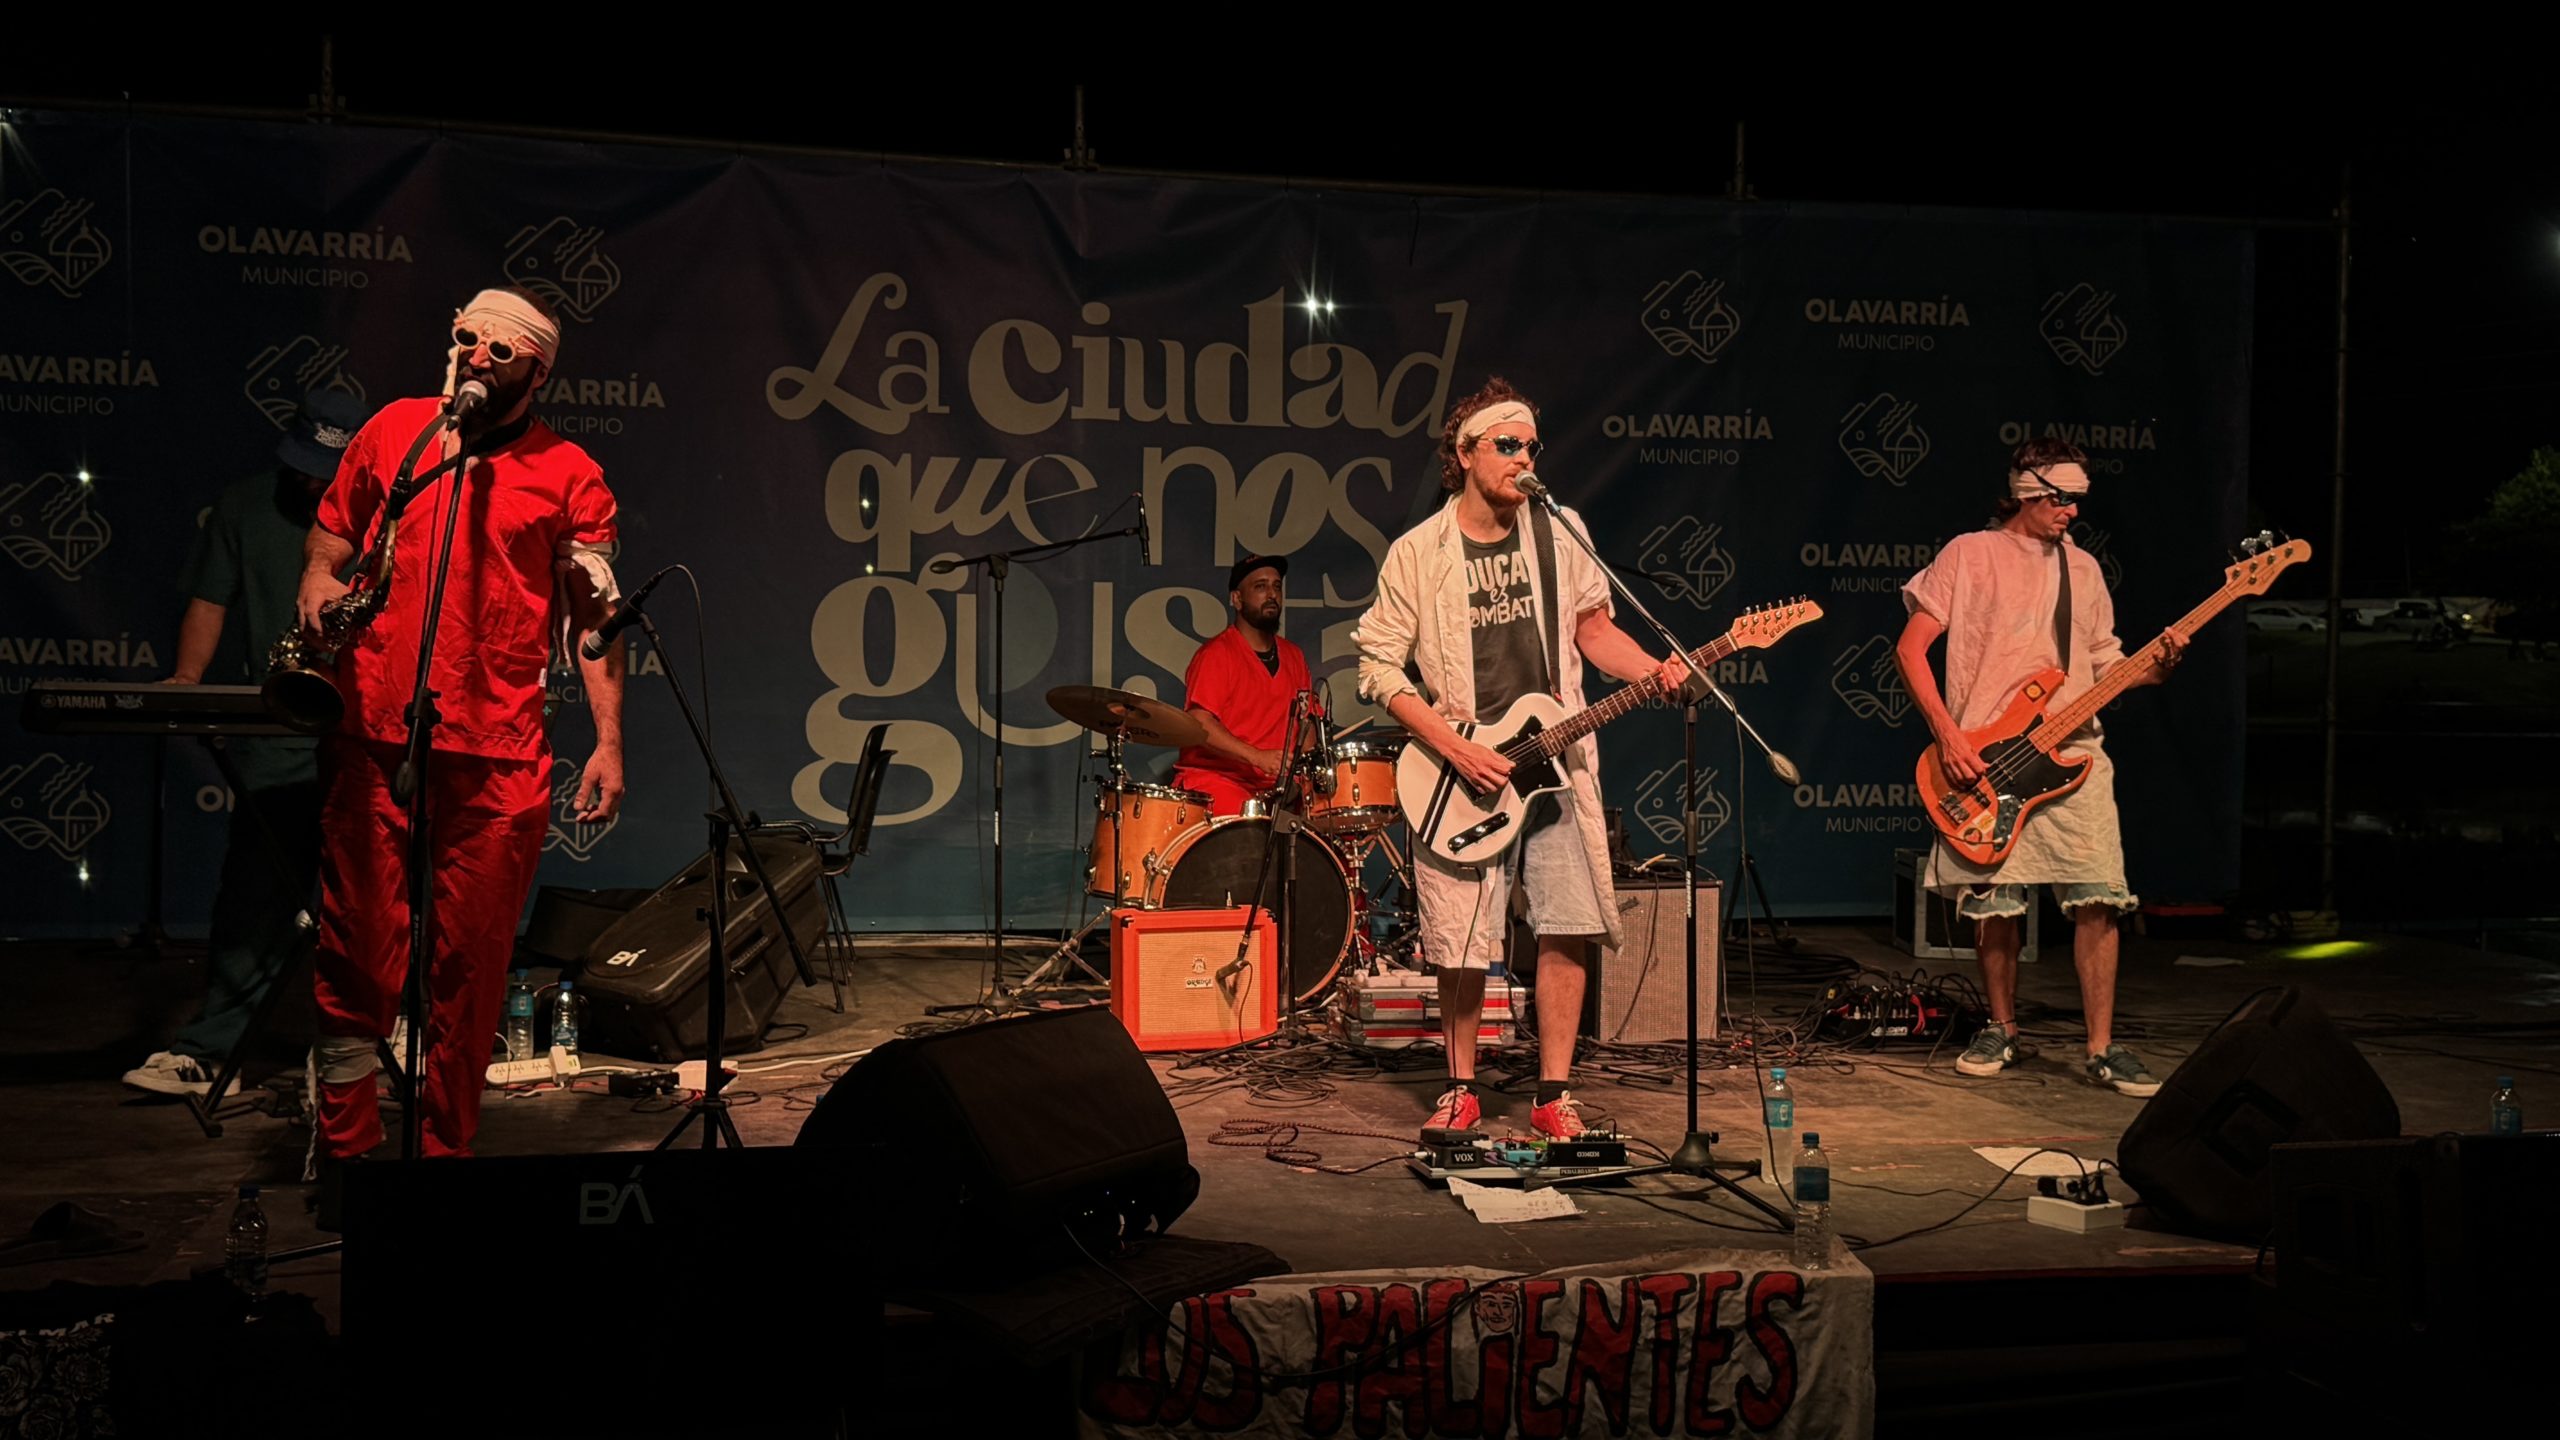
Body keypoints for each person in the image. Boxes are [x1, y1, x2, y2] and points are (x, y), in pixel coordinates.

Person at [298, 286, 626, 1183]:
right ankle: (349, 1156)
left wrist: (608, 741)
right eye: (466, 339)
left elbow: (596, 624)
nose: (476, 358)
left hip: (498, 754)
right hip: (374, 732)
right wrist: (319, 584)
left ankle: (446, 1160)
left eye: (500, 351)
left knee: (471, 972)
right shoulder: (395, 433)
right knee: (356, 948)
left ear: (537, 372)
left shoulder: (572, 474)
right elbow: (330, 536)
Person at [1355, 378, 1686, 1141]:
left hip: (1556, 766)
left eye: (1532, 446)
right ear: (1465, 451)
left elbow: (1593, 630)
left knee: (1568, 923)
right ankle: (1460, 1087)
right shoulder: (1419, 552)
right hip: (1462, 770)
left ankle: (1553, 1094)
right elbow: (1378, 667)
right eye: (1508, 444)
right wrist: (1455, 746)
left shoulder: (1560, 531)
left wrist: (1653, 670)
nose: (1524, 458)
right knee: (1460, 940)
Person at [1894, 437, 2187, 1097]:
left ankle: (2102, 1047)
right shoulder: (1969, 553)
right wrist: (1949, 737)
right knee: (1995, 900)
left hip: (2075, 749)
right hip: (1987, 757)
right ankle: (2001, 1029)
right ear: (2028, 493)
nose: (2073, 512)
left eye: (2078, 500)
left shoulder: (2083, 569)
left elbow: (2107, 665)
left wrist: (2158, 666)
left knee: (2099, 896)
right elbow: (1910, 650)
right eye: (2062, 499)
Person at [122, 389, 375, 1098]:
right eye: (305, 468)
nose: (314, 485)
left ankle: (388, 1046)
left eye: (329, 474)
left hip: (371, 733)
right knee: (255, 892)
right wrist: (187, 681)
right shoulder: (245, 504)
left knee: (381, 897)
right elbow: (210, 598)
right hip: (280, 731)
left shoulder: (393, 512)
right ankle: (210, 1052)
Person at [1171, 554, 1316, 816]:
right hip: (1219, 781)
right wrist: (1257, 756)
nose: (1271, 594)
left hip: (1278, 787)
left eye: (1276, 586)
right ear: (1237, 599)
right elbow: (1199, 722)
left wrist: (1309, 775)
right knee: (1250, 827)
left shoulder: (1294, 656)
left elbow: (1307, 724)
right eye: (1260, 586)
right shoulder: (1217, 654)